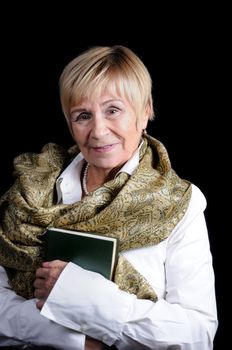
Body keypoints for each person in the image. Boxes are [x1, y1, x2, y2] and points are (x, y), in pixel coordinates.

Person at [0, 45, 218, 350]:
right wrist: (71, 338)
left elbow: (197, 335)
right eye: (83, 116)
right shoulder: (31, 192)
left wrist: (81, 296)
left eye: (113, 110)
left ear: (145, 112)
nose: (99, 131)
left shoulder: (181, 202)